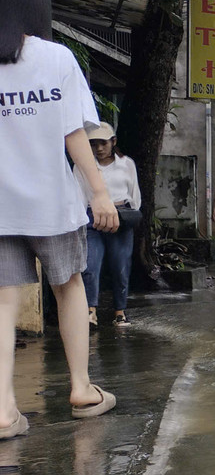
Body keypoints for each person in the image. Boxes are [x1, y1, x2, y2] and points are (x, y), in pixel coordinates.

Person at [0, 0, 119, 437]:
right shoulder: (57, 58)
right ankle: (81, 389)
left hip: (1, 209)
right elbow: (75, 136)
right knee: (69, 287)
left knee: (3, 301)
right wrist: (101, 193)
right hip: (52, 203)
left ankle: (5, 409)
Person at [75, 122, 140, 328]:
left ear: (113, 142)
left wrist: (131, 216)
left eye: (103, 143)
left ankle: (120, 312)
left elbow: (134, 194)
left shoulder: (126, 164)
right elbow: (79, 194)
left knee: (120, 266)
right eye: (93, 144)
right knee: (90, 265)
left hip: (120, 218)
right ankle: (89, 311)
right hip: (92, 218)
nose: (99, 148)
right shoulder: (82, 165)